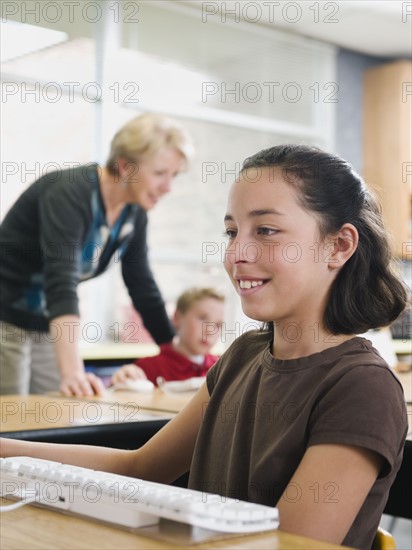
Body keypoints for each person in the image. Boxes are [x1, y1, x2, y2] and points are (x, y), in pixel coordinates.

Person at [0, 145, 409, 550]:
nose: (236, 254)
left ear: (338, 246)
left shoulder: (362, 389)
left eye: (265, 230)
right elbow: (140, 467)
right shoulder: (243, 355)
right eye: (232, 232)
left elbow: (286, 546)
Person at [0, 113, 194, 397]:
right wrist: (73, 372)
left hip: (44, 323)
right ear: (126, 166)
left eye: (174, 175)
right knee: (10, 416)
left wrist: (176, 351)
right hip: (4, 315)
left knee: (58, 411)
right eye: (160, 173)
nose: (169, 187)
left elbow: (141, 284)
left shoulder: (134, 212)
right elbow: (61, 281)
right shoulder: (70, 192)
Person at [111, 287, 225, 386]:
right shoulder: (148, 368)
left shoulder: (224, 368)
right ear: (177, 318)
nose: (210, 331)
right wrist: (123, 378)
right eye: (202, 318)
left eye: (218, 325)